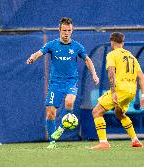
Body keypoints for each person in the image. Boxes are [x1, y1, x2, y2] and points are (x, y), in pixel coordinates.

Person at [26, 17, 99, 149]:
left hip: (71, 82)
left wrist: (94, 74)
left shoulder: (77, 46)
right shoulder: (52, 45)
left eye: (69, 30)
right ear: (59, 29)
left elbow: (87, 60)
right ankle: (52, 141)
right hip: (55, 84)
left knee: (69, 102)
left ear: (72, 30)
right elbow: (39, 52)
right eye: (64, 30)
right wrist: (32, 57)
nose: (66, 33)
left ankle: (61, 128)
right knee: (50, 113)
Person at [89, 32, 144, 150]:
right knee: (119, 113)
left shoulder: (112, 54)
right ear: (123, 42)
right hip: (131, 91)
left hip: (120, 89)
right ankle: (135, 140)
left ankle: (103, 142)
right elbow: (141, 77)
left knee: (96, 112)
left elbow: (111, 72)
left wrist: (114, 91)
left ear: (112, 42)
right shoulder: (131, 57)